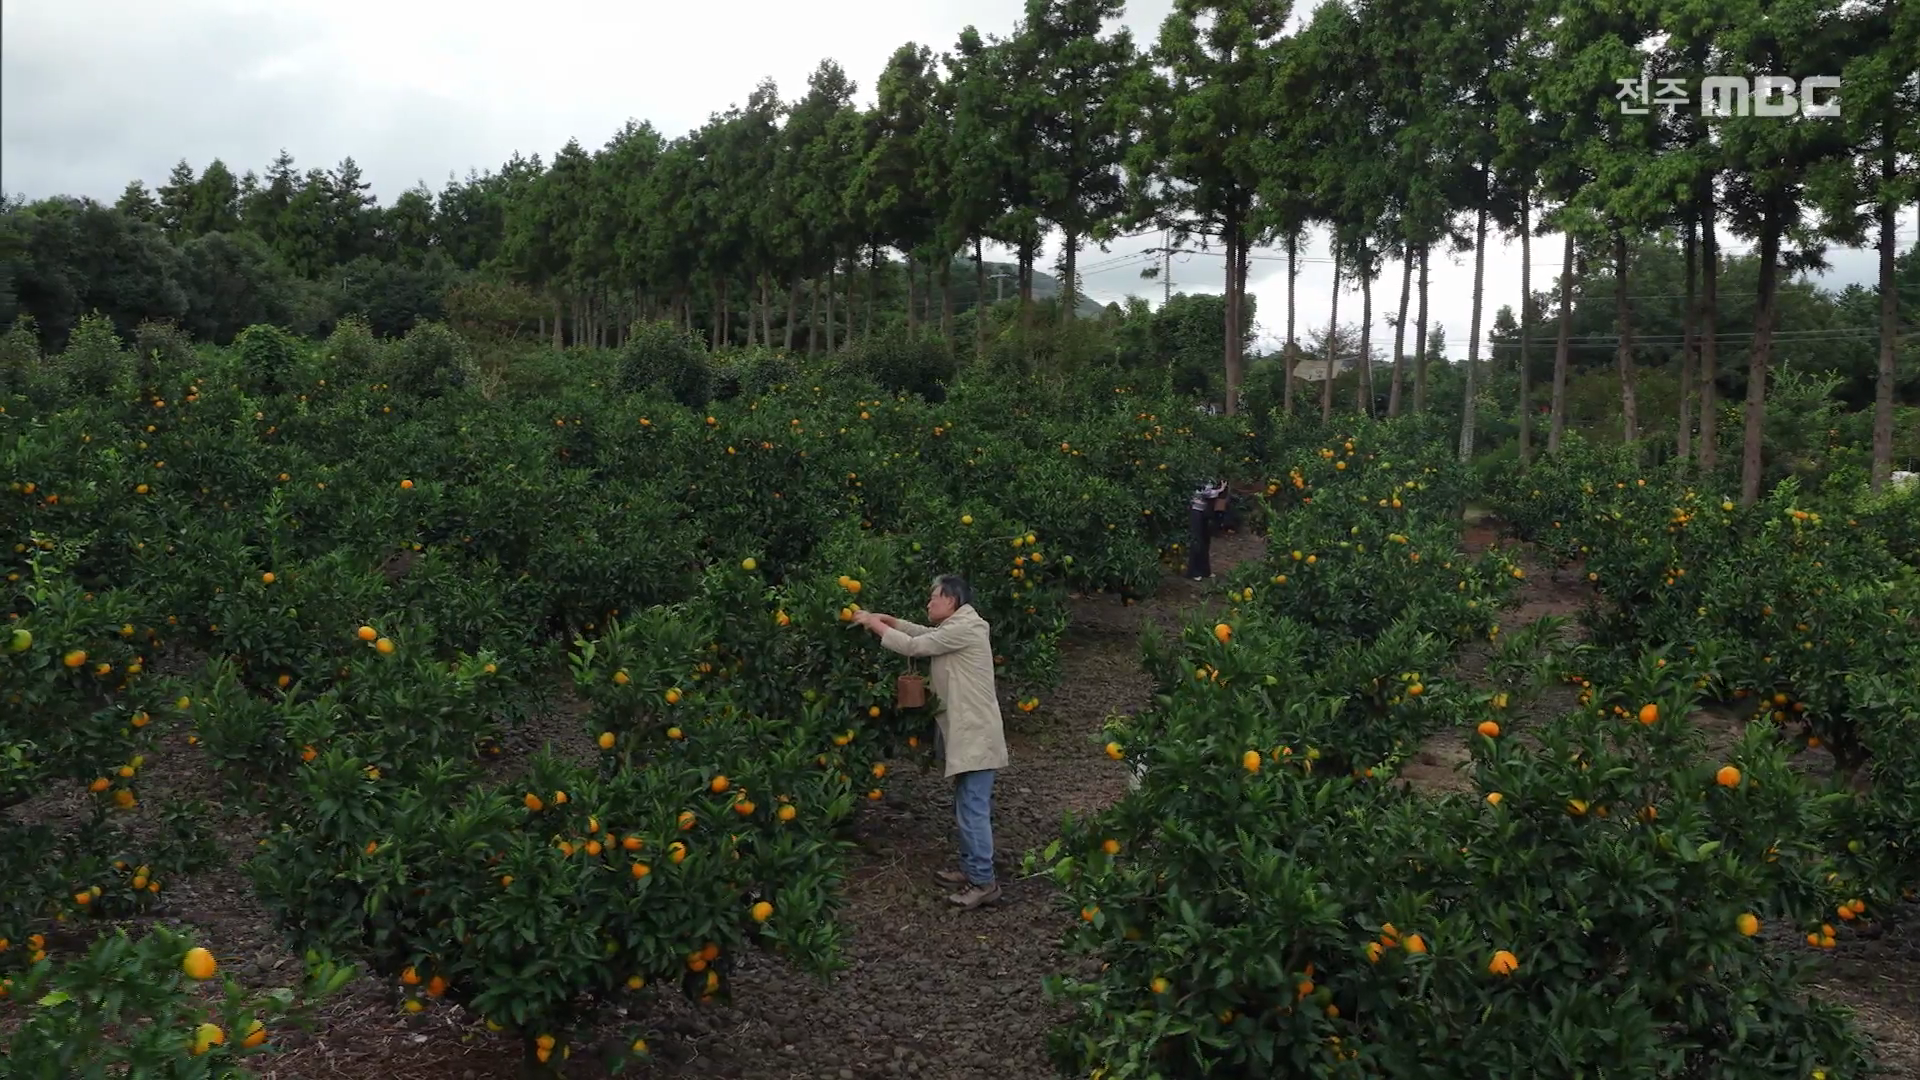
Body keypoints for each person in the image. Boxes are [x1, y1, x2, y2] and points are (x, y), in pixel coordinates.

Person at [852, 575, 1009, 909]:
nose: (929, 603)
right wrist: (891, 621)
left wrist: (872, 623)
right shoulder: (958, 627)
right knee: (966, 806)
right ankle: (971, 870)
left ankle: (984, 882)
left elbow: (915, 647)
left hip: (977, 734)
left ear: (951, 600)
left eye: (933, 597)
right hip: (969, 735)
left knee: (973, 809)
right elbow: (926, 635)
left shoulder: (969, 628)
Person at [1188, 479, 1226, 580]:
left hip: (1205, 511)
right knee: (1197, 540)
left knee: (1205, 540)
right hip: (1196, 511)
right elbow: (1205, 492)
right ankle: (1193, 572)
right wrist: (1219, 490)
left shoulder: (1208, 476)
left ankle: (1205, 570)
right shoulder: (1197, 474)